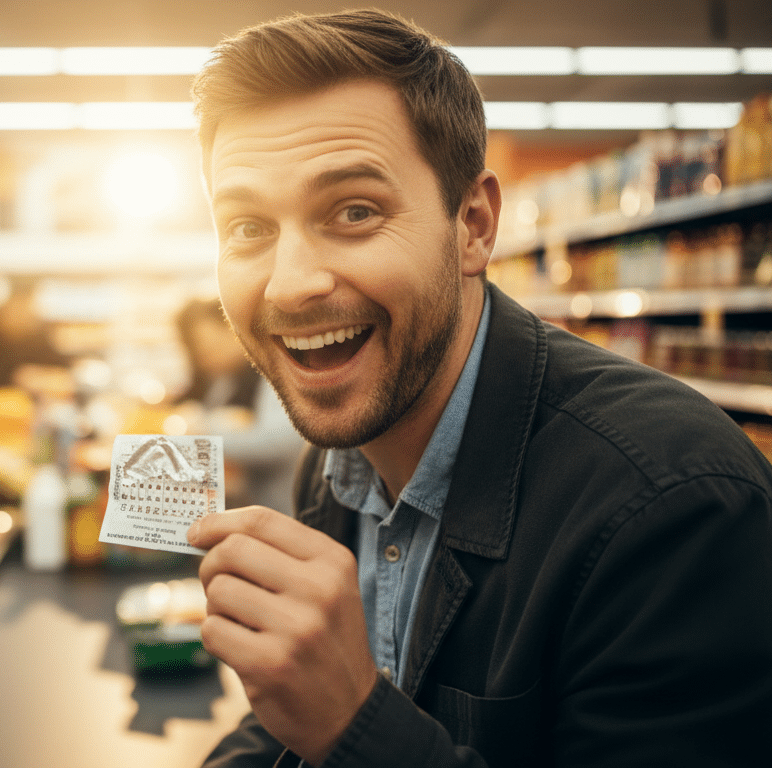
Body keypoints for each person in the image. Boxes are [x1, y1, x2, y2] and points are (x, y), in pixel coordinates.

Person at [185, 10, 772, 767]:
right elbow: (284, 720)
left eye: (354, 211)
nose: (291, 285)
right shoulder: (337, 458)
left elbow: (336, 713)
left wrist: (354, 727)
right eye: (246, 227)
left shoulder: (673, 509)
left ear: (473, 223)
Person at [174, 298, 304, 513]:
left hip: (285, 506)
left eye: (209, 346)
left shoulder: (274, 373)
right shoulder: (225, 380)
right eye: (197, 351)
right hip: (251, 502)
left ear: (232, 329)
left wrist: (203, 432)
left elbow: (279, 442)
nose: (204, 357)